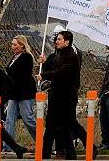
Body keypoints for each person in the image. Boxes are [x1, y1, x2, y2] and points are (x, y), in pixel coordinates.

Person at [39, 30, 81, 159]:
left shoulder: (72, 57)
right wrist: (44, 63)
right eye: (56, 39)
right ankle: (45, 154)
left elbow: (61, 73)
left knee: (66, 127)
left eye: (59, 39)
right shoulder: (59, 55)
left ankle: (71, 154)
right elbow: (52, 68)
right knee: (51, 127)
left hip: (66, 97)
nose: (56, 41)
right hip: (55, 96)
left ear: (67, 42)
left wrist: (44, 75)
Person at [3, 35, 37, 152]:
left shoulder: (26, 57)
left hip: (24, 93)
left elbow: (22, 76)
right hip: (14, 94)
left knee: (27, 118)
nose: (12, 47)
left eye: (15, 44)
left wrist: (7, 76)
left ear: (22, 45)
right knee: (9, 119)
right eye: (12, 44)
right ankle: (7, 146)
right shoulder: (14, 57)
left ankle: (43, 141)